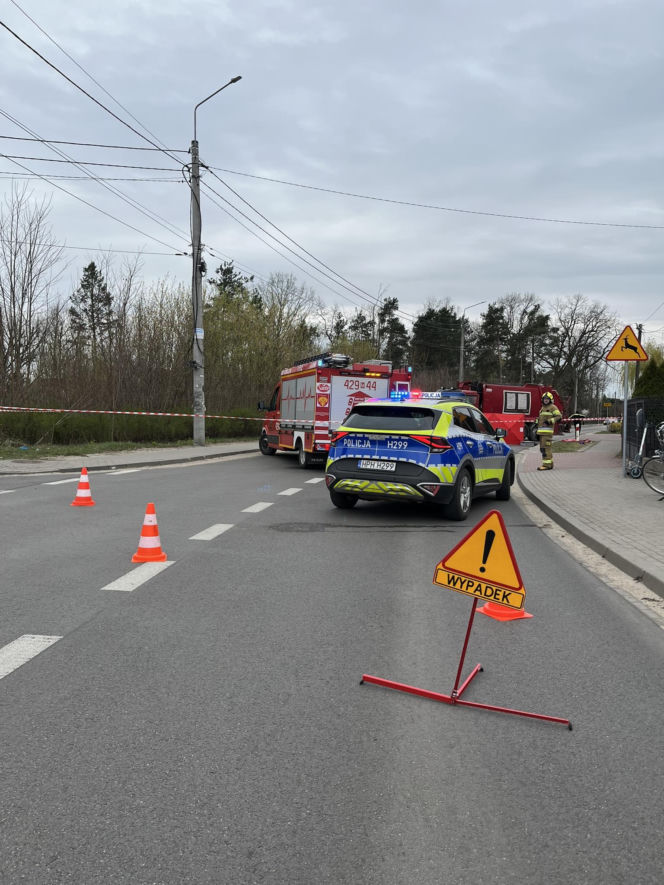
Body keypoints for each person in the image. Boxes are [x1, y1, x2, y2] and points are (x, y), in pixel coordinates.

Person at [536, 391, 561, 470]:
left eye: (547, 399)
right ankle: (550, 464)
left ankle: (547, 465)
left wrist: (549, 421)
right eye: (544, 399)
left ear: (551, 400)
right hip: (541, 433)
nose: (546, 400)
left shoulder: (553, 407)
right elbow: (540, 420)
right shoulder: (542, 408)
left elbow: (559, 416)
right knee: (542, 449)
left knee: (546, 449)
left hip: (547, 433)